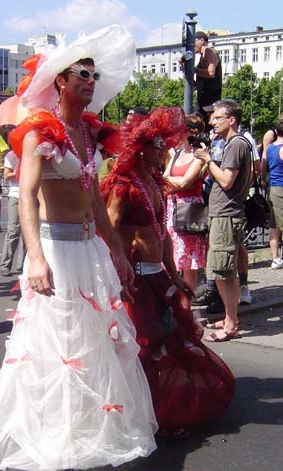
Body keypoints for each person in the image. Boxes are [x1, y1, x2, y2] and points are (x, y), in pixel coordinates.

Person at [0, 25, 157, 471]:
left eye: (94, 75)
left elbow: (95, 200)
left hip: (88, 252)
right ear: (60, 80)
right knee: (55, 343)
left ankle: (86, 423)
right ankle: (54, 430)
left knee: (93, 340)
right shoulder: (37, 131)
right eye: (82, 72)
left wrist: (116, 251)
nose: (90, 80)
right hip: (56, 251)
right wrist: (37, 259)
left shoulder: (90, 133)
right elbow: (26, 196)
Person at [101, 107, 235, 437]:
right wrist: (115, 273)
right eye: (157, 144)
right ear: (140, 148)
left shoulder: (154, 183)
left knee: (168, 340)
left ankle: (157, 413)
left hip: (156, 276)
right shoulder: (123, 185)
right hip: (132, 278)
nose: (164, 150)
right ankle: (140, 416)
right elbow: (109, 230)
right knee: (142, 346)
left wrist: (173, 274)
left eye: (165, 144)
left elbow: (161, 235)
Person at [195, 99, 252, 341]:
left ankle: (230, 324)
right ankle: (231, 318)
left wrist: (208, 160)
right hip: (223, 214)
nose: (211, 122)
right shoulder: (231, 144)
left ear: (231, 120)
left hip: (226, 215)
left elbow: (227, 181)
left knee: (223, 272)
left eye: (217, 118)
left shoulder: (236, 144)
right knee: (220, 271)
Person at [163, 113, 207, 294]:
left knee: (189, 261)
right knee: (170, 256)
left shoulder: (200, 155)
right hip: (172, 207)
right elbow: (164, 177)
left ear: (190, 131)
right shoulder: (178, 152)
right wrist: (175, 182)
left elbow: (186, 182)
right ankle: (172, 301)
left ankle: (186, 304)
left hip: (189, 210)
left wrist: (172, 182)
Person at [0, 150, 26, 276]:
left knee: (28, 232)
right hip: (16, 195)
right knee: (13, 231)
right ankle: (5, 264)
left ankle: (23, 264)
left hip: (31, 196)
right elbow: (6, 175)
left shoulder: (32, 153)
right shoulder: (12, 155)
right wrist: (22, 171)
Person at [263, 119, 283, 269]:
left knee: (274, 225)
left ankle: (275, 258)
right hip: (282, 187)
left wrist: (263, 179)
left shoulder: (269, 148)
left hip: (273, 187)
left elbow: (263, 166)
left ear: (275, 132)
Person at [194, 31, 222, 128]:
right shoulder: (202, 55)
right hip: (203, 98)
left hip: (210, 98)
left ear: (201, 41)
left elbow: (211, 73)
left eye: (193, 42)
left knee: (201, 125)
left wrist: (194, 70)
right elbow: (200, 83)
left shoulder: (208, 51)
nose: (192, 45)